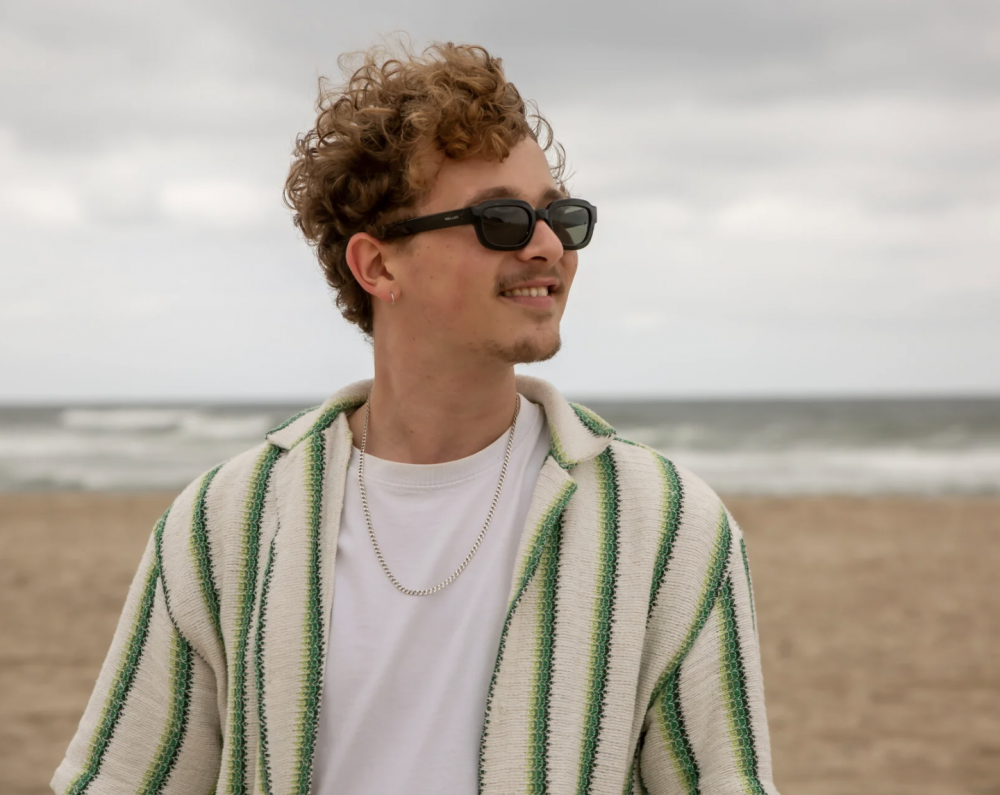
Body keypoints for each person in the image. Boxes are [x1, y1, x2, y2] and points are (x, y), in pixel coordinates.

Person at [52, 41, 780, 795]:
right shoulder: (227, 521)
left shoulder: (666, 527)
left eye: (560, 216)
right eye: (501, 218)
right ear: (378, 266)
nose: (547, 246)